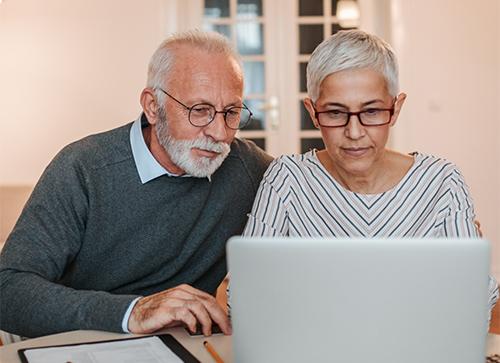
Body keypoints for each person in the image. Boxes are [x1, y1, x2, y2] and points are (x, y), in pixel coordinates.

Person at [0, 30, 272, 338]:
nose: (219, 133)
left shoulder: (249, 169)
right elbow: (8, 290)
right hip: (75, 343)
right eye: (200, 111)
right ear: (153, 106)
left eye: (231, 112)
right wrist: (133, 311)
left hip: (181, 348)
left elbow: (311, 185)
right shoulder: (83, 167)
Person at [240, 30, 499, 319]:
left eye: (372, 111)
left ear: (396, 108)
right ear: (313, 113)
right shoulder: (286, 179)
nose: (354, 133)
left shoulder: (442, 183)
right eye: (336, 113)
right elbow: (245, 297)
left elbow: (474, 304)